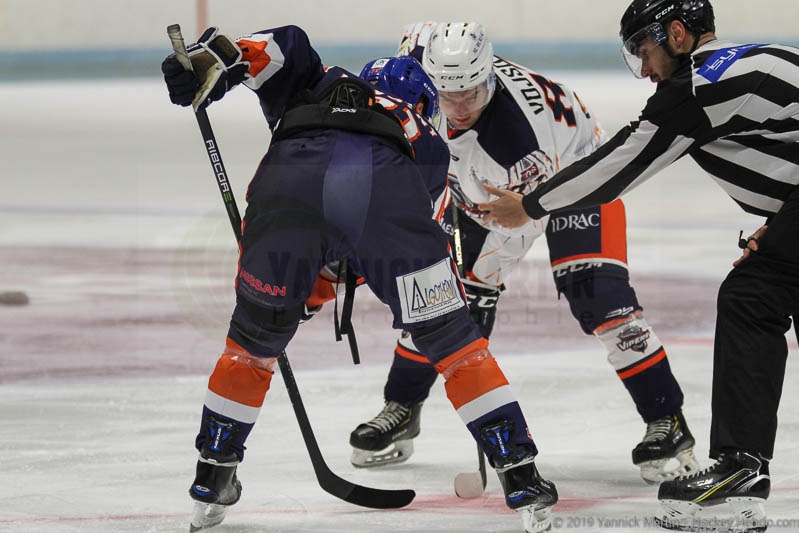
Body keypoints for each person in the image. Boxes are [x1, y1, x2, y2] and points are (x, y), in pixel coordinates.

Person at [161, 25, 557, 533]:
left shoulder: (320, 81)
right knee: (458, 348)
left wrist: (217, 60)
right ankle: (520, 474)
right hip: (386, 191)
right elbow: (375, 246)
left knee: (250, 345)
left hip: (284, 189)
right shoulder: (431, 143)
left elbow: (284, 44)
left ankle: (213, 474)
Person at [480, 0, 798, 527]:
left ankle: (740, 469)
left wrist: (529, 205)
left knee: (753, 296)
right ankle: (743, 466)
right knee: (762, 290)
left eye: (645, 52)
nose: (645, 69)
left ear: (677, 34)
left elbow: (622, 162)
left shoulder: (696, 88)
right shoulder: (746, 61)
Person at [348, 20, 699, 486]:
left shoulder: (517, 146)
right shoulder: (429, 59)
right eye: (446, 94)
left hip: (571, 176)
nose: (457, 108)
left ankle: (668, 420)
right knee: (434, 293)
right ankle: (403, 405)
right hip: (487, 185)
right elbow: (418, 34)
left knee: (598, 296)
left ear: (488, 76)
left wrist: (477, 292)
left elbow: (516, 220)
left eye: (470, 94)